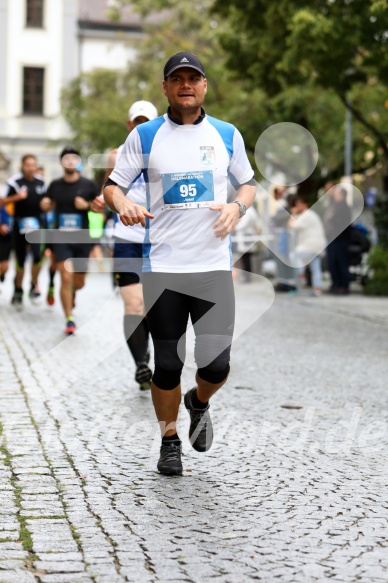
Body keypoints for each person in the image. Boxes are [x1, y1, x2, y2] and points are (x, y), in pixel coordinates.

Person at [104, 52, 256, 476]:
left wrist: (237, 208)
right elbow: (112, 187)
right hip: (163, 270)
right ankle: (169, 440)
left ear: (205, 86)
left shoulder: (226, 134)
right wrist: (124, 203)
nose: (186, 85)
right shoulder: (146, 137)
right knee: (167, 364)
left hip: (211, 269)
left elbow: (248, 184)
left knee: (216, 366)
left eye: (194, 78)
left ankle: (199, 401)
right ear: (166, 87)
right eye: (177, 79)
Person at [98, 100, 159, 390]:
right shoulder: (117, 154)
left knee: (152, 306)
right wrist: (104, 201)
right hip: (126, 240)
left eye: (147, 122)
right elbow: (108, 190)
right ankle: (141, 365)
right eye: (137, 122)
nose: (140, 127)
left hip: (160, 242)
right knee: (134, 303)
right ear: (129, 125)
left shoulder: (167, 154)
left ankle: (149, 351)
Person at [41, 146, 100, 334]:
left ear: (78, 162)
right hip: (61, 238)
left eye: (74, 158)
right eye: (66, 158)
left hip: (82, 238)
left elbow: (102, 209)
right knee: (65, 277)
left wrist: (87, 205)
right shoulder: (55, 185)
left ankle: (73, 292)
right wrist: (45, 205)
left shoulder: (89, 185)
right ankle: (69, 319)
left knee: (79, 282)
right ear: (61, 162)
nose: (70, 161)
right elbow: (47, 205)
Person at [0, 154, 46, 306]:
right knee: (20, 260)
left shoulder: (41, 182)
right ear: (22, 165)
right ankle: (18, 289)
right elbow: (2, 201)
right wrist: (16, 197)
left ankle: (33, 285)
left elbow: (47, 202)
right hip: (19, 226)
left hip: (36, 226)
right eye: (27, 165)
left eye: (33, 165)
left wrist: (47, 204)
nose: (30, 168)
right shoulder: (14, 182)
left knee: (37, 256)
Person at [288, 195, 326, 296]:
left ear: (305, 205)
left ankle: (301, 277)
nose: (297, 206)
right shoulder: (311, 214)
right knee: (315, 268)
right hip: (318, 246)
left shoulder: (306, 215)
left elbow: (291, 225)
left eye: (299, 204)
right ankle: (316, 289)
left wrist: (293, 213)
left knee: (294, 255)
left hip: (310, 245)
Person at [323, 185, 352, 295]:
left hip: (340, 240)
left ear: (342, 195)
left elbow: (341, 224)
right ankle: (335, 284)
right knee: (332, 263)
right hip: (332, 239)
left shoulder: (344, 207)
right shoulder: (334, 205)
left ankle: (343, 286)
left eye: (337, 194)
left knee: (341, 263)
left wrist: (333, 221)